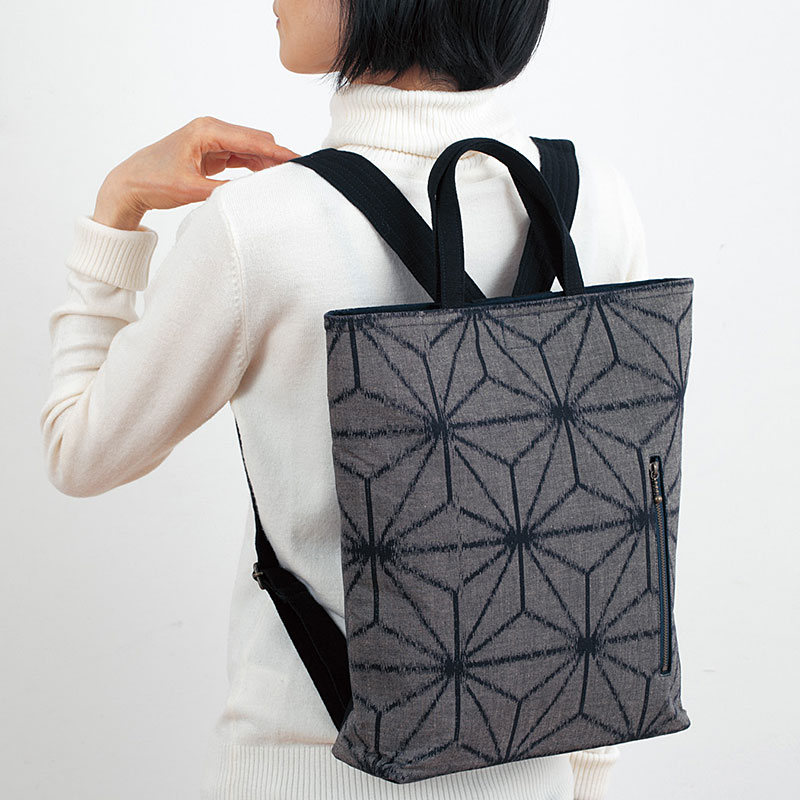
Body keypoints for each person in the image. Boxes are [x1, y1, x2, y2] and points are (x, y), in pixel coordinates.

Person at [40, 1, 649, 797]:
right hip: (540, 763)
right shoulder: (589, 198)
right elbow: (620, 522)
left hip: (306, 772)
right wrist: (587, 775)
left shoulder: (258, 225)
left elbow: (81, 454)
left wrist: (118, 206)